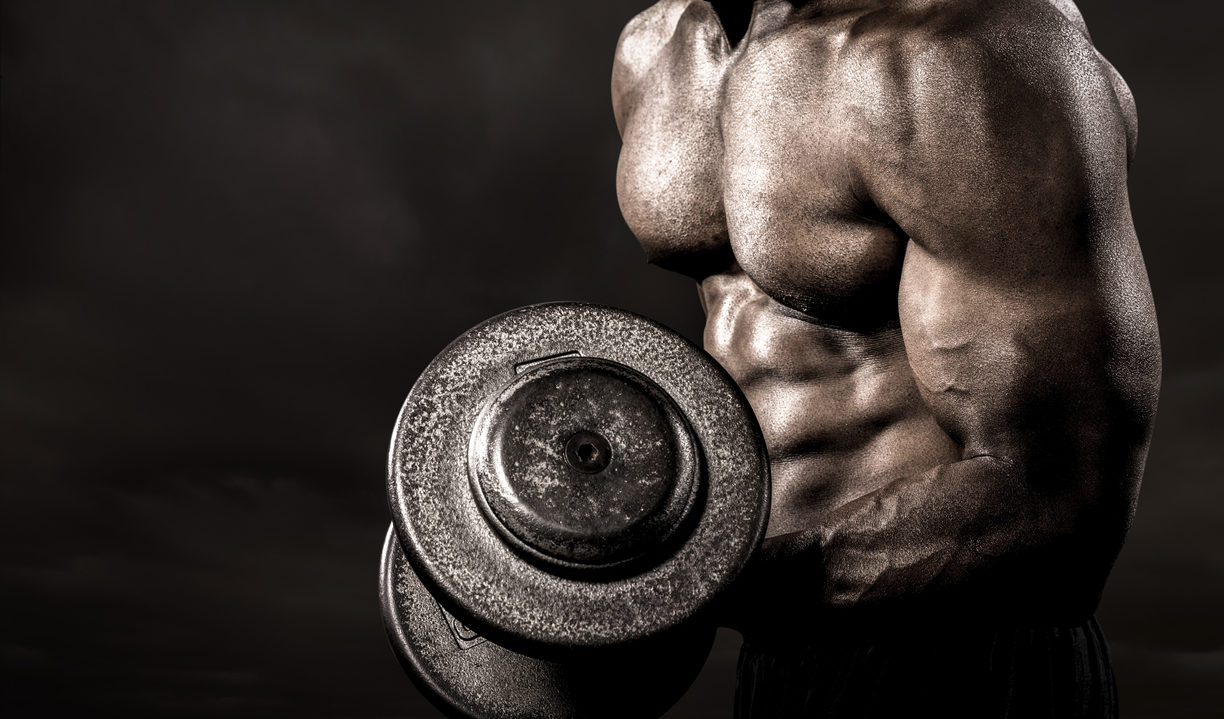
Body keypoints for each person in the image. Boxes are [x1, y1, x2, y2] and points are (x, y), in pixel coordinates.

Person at [612, 0, 1160, 716]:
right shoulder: (653, 55)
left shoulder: (967, 47)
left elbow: (1059, 503)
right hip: (778, 656)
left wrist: (686, 584)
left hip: (973, 659)